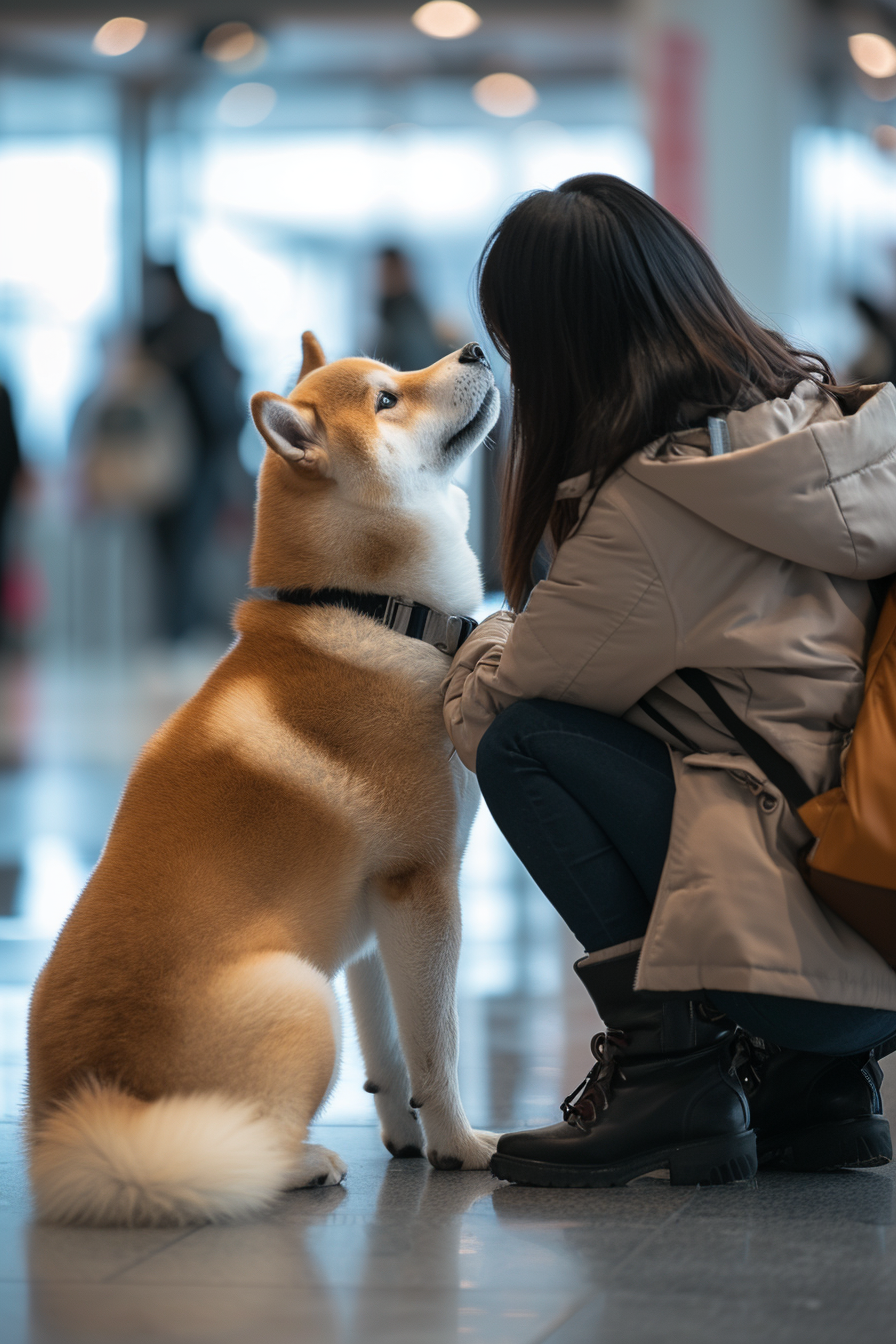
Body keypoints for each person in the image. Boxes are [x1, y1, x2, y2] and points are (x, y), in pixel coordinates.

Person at [441, 174, 896, 1189]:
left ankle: (671, 1081)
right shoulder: (825, 428)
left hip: (803, 962)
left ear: (557, 351)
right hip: (872, 915)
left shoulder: (661, 501)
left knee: (529, 746)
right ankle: (813, 1089)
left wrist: (474, 638)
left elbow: (505, 699)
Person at [142, 263, 244, 640]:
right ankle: (179, 629)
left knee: (189, 550)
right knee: (178, 553)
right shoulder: (159, 330)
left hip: (201, 457)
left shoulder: (183, 329)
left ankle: (186, 629)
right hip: (173, 460)